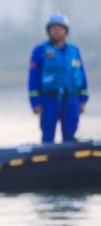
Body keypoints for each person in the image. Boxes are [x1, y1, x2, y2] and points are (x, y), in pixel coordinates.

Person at [29, 12, 89, 143]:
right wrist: (35, 102)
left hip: (71, 100)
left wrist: (83, 99)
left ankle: (70, 162)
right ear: (48, 31)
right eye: (53, 28)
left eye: (60, 28)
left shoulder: (74, 51)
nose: (56, 31)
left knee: (70, 135)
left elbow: (81, 75)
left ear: (66, 31)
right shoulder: (40, 51)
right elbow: (33, 78)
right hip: (49, 100)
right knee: (48, 136)